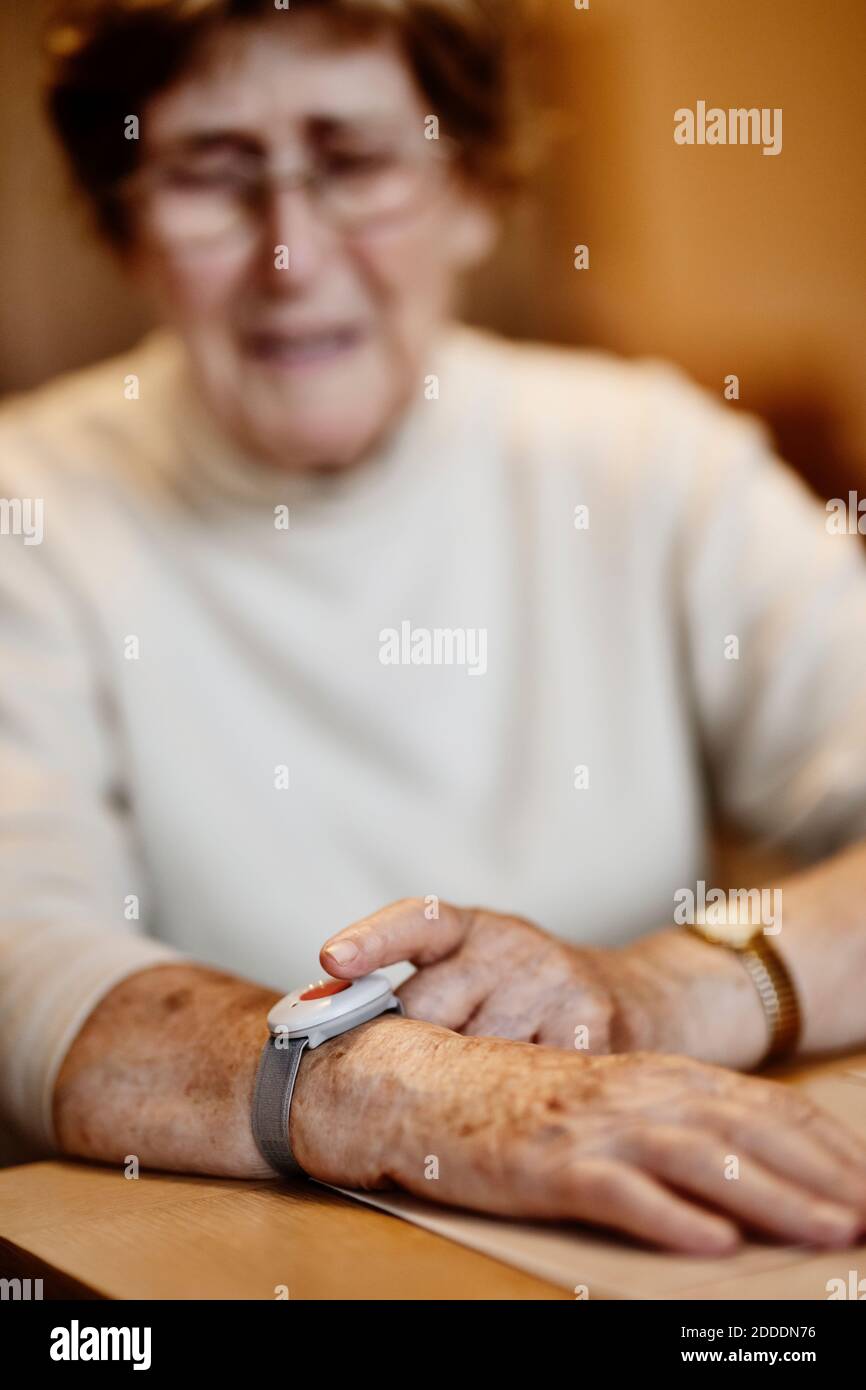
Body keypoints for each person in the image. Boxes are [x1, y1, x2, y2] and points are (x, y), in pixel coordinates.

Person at [1, 0, 865, 1256]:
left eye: (353, 163)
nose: (292, 256)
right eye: (209, 174)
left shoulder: (650, 458)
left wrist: (662, 993)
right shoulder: (26, 504)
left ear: (468, 191)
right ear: (125, 222)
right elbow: (18, 954)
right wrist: (429, 1094)